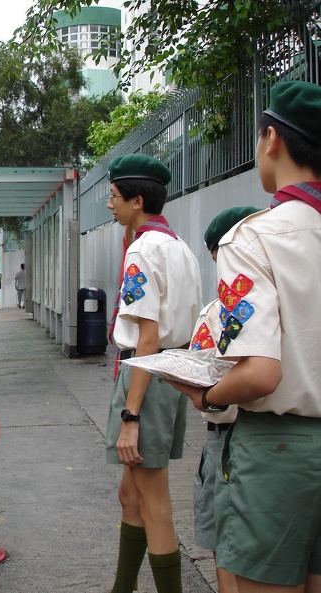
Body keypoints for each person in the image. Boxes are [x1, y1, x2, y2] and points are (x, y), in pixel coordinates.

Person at [167, 80, 321, 593]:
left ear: (271, 139)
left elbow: (260, 373)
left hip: (280, 451)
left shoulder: (252, 237)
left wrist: (208, 395)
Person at [104, 154, 203, 593]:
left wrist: (131, 416)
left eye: (114, 196)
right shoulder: (180, 247)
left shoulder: (142, 250)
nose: (110, 205)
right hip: (170, 369)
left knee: (155, 501)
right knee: (131, 495)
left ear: (137, 201)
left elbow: (146, 338)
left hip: (147, 373)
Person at [188, 206, 258, 593]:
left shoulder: (216, 313)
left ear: (218, 253)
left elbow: (199, 380)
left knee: (226, 545)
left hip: (227, 438)